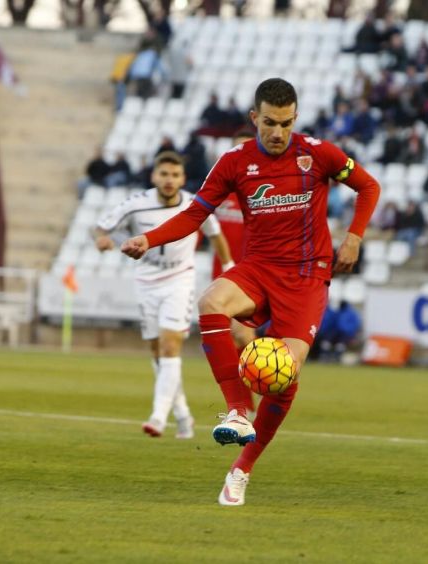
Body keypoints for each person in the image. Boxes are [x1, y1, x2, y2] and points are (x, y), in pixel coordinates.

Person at [120, 79, 380, 506]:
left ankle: (242, 468)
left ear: (295, 119)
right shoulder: (234, 162)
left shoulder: (318, 153)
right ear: (254, 118)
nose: (278, 133)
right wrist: (150, 239)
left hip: (305, 276)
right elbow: (193, 214)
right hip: (258, 267)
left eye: (286, 123)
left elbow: (369, 187)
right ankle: (238, 410)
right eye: (270, 123)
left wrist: (353, 237)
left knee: (283, 375)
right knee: (210, 304)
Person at [95, 151, 233, 439]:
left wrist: (229, 267)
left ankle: (158, 417)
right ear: (154, 176)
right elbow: (100, 228)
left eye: (175, 175)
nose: (169, 180)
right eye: (164, 174)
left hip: (180, 279)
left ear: (183, 179)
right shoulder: (136, 205)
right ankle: (183, 415)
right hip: (146, 280)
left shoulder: (195, 204)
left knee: (171, 346)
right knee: (159, 353)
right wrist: (103, 240)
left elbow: (215, 234)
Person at [211, 128, 258, 383]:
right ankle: (242, 404)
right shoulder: (219, 189)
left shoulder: (265, 192)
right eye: (237, 149)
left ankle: (249, 403)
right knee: (228, 339)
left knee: (244, 336)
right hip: (221, 274)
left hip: (253, 275)